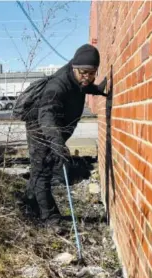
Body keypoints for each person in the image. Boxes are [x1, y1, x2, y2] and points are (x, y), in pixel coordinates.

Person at [23, 44, 108, 228]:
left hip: (57, 129)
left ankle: (29, 203)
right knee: (43, 171)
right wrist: (57, 143)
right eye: (84, 72)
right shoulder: (57, 86)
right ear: (74, 67)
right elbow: (46, 115)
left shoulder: (78, 78)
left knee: (41, 170)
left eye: (92, 73)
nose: (87, 77)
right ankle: (50, 218)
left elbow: (83, 86)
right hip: (41, 129)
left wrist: (97, 89)